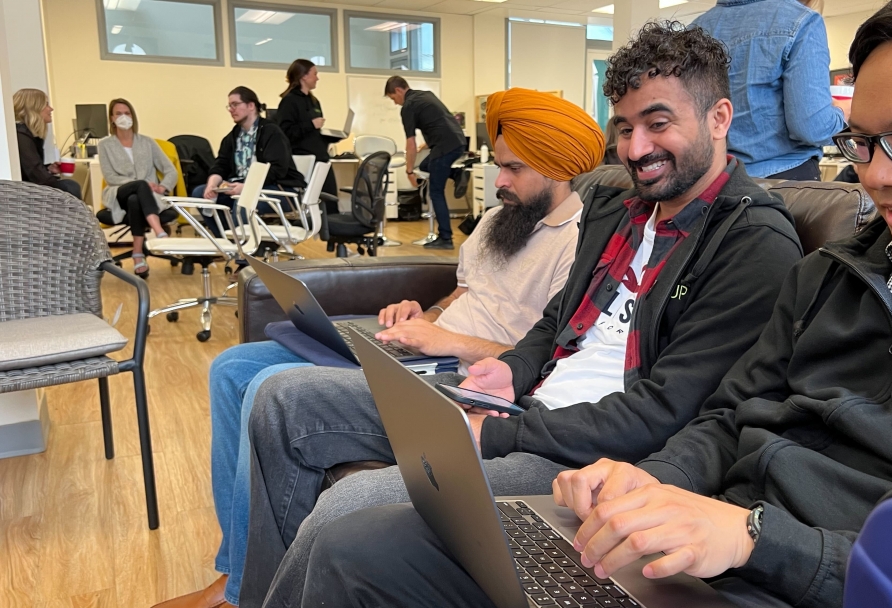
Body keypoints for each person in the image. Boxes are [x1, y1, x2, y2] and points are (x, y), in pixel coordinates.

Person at [294, 2, 892, 607]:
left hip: (791, 573)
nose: (873, 177)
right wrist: (648, 484)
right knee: (358, 547)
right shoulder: (837, 274)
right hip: (702, 547)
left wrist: (748, 537)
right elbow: (727, 415)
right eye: (860, 144)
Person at [244, 23, 805, 608]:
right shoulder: (621, 209)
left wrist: (500, 430)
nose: (636, 149)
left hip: (585, 456)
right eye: (625, 128)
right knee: (283, 399)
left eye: (659, 124)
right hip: (521, 405)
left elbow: (666, 411)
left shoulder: (753, 243)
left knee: (345, 510)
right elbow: (558, 320)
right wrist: (512, 369)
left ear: (719, 118)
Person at [151, 89, 606, 608]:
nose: (498, 180)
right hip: (417, 346)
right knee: (231, 368)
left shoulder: (579, 245)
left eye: (513, 169)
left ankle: (238, 591)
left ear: (556, 167)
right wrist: (423, 312)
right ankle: (237, 570)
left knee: (262, 388)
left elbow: (542, 357)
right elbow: (465, 289)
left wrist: (446, 340)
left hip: (457, 372)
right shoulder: (500, 219)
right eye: (499, 166)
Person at [693, 0, 848, 180]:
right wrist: (845, 112)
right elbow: (813, 127)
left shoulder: (693, 31)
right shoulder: (801, 21)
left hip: (715, 181)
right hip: (785, 180)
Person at [192, 87, 305, 238]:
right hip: (242, 187)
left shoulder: (271, 132)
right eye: (230, 106)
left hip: (279, 190)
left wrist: (247, 187)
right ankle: (230, 241)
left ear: (251, 106)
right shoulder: (233, 136)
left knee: (243, 202)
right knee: (200, 193)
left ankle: (244, 255)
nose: (231, 110)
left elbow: (277, 170)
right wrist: (212, 184)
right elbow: (220, 165)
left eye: (235, 104)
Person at [96, 98, 179, 279]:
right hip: (118, 194)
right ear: (111, 118)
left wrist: (163, 187)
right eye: (118, 113)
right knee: (139, 186)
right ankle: (159, 231)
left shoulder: (147, 143)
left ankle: (137, 253)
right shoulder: (104, 145)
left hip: (145, 198)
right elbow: (111, 177)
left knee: (136, 199)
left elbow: (170, 170)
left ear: (133, 116)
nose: (123, 117)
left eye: (127, 113)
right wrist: (140, 183)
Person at [385, 76, 468, 249]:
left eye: (393, 98)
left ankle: (446, 238)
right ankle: (457, 173)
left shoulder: (408, 106)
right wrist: (428, 144)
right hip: (458, 142)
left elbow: (410, 143)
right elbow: (439, 122)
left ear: (399, 91)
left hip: (445, 146)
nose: (395, 103)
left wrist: (409, 171)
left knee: (436, 192)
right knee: (424, 166)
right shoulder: (426, 95)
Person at [275, 59, 338, 214]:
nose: (317, 78)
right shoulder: (289, 102)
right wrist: (311, 125)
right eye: (314, 74)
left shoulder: (313, 101)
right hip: (305, 159)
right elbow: (285, 133)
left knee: (330, 198)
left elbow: (313, 133)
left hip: (320, 157)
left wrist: (331, 137)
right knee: (315, 202)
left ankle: (332, 231)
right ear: (303, 76)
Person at [12, 88, 82, 199]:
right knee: (70, 186)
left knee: (69, 186)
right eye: (46, 104)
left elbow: (31, 169)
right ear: (34, 108)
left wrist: (48, 169)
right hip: (25, 195)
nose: (51, 109)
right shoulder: (21, 137)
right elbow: (36, 175)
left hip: (28, 191)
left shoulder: (26, 135)